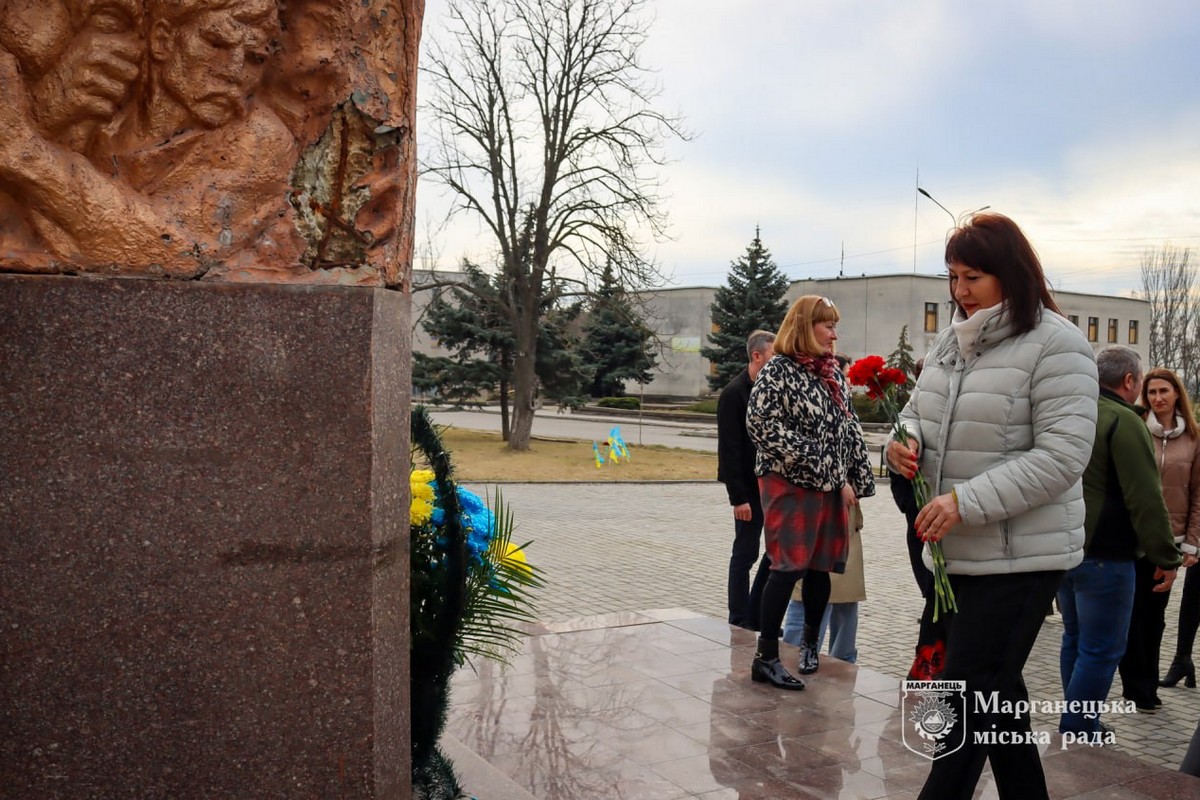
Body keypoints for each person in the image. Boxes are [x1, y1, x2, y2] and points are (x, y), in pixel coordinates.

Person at [886, 212, 1098, 799]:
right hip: (957, 556)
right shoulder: (953, 342)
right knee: (997, 695)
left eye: (973, 276)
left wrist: (965, 502)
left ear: (1010, 273)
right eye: (953, 276)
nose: (960, 292)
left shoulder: (1058, 345)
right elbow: (914, 417)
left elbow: (1062, 456)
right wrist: (899, 446)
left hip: (1020, 558)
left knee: (967, 694)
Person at [746, 295, 875, 689]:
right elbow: (760, 424)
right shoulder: (779, 371)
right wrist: (812, 456)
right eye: (827, 326)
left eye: (835, 326)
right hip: (788, 480)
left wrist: (856, 473)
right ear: (805, 327)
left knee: (821, 564)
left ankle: (808, 645)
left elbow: (848, 425)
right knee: (786, 566)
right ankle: (766, 657)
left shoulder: (831, 373)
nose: (834, 334)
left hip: (829, 481)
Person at [1058, 347, 1179, 735]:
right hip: (1107, 555)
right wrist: (1165, 555)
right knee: (1102, 649)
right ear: (1130, 382)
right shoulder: (1124, 422)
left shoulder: (1073, 413)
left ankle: (1081, 719)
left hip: (1067, 546)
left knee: (1075, 639)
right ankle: (1078, 727)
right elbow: (1145, 497)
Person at [782, 353, 865, 663]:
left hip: (844, 513)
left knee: (845, 597)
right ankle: (796, 650)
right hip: (817, 504)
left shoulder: (839, 395)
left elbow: (850, 443)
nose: (844, 379)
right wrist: (839, 481)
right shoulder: (802, 387)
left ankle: (844, 658)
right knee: (808, 591)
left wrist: (853, 480)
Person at [1144, 369, 1200, 692]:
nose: (1158, 398)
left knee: (1180, 601)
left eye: (1164, 391)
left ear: (1177, 393)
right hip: (1147, 534)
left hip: (1180, 533)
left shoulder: (1193, 436)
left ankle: (1181, 660)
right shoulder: (1140, 429)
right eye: (1152, 392)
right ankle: (1178, 660)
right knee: (1189, 597)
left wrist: (1191, 542)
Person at [717, 329, 776, 630]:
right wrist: (738, 498)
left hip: (772, 487)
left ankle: (757, 611)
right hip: (748, 492)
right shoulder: (734, 393)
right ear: (757, 356)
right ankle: (739, 618)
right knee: (745, 553)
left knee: (776, 552)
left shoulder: (769, 391)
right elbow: (729, 451)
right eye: (773, 357)